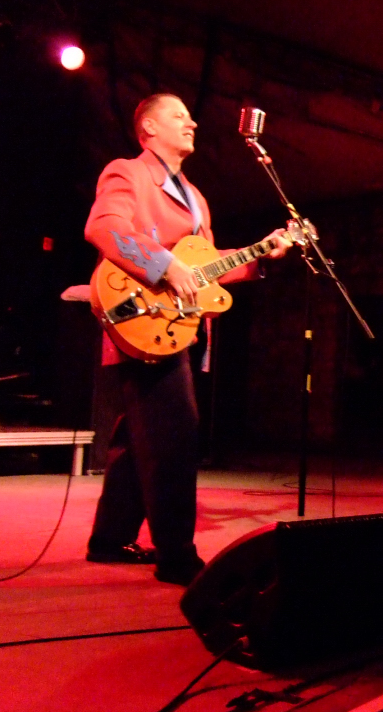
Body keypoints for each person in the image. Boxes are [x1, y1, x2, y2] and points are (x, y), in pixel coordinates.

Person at [83, 93, 292, 586]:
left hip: (179, 326)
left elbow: (203, 267)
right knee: (175, 436)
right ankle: (176, 557)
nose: (191, 122)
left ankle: (109, 539)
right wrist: (163, 264)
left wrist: (261, 255)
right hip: (142, 320)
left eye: (190, 115)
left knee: (140, 438)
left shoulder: (196, 197)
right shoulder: (128, 173)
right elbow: (104, 227)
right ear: (149, 129)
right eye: (178, 115)